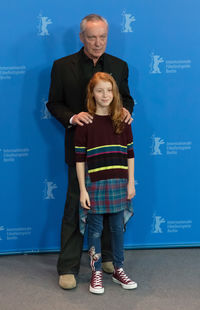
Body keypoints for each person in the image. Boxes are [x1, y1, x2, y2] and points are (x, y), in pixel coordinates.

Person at [46, 14, 134, 290]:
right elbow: (54, 103)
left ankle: (108, 259)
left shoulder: (120, 66)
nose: (98, 43)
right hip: (81, 152)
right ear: (82, 37)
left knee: (113, 207)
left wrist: (127, 111)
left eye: (103, 37)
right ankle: (68, 266)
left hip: (114, 152)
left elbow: (127, 99)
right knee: (76, 205)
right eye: (92, 37)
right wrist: (73, 118)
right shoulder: (62, 67)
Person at [75, 72, 137, 294]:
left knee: (117, 228)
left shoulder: (122, 120)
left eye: (109, 90)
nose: (105, 94)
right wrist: (83, 189)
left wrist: (131, 183)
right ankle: (96, 272)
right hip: (95, 184)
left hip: (119, 183)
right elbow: (80, 160)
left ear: (115, 93)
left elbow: (130, 154)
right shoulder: (85, 124)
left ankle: (119, 268)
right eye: (100, 90)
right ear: (92, 93)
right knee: (95, 229)